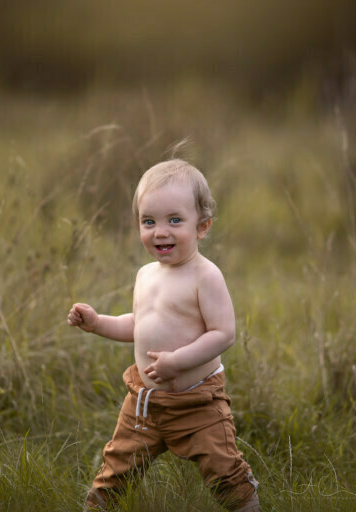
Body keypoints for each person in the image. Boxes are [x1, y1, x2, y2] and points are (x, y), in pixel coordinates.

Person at [67, 159, 260, 511]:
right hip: (145, 403)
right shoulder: (145, 275)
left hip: (197, 402)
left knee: (225, 470)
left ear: (202, 227)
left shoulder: (206, 276)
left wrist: (177, 361)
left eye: (175, 220)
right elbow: (138, 326)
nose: (160, 231)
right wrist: (97, 324)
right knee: (116, 469)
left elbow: (224, 333)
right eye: (149, 221)